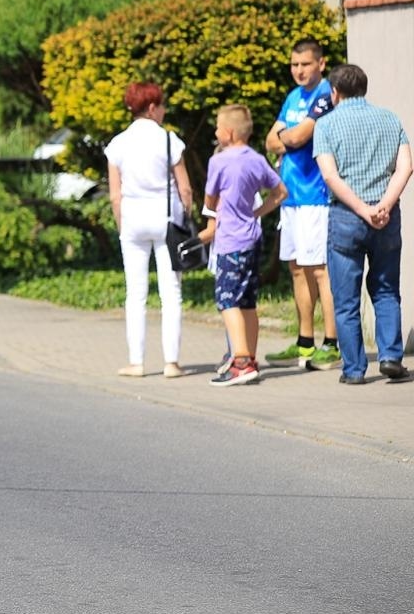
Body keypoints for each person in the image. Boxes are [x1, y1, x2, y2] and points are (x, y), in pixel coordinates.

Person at [313, 63, 413, 385]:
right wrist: (383, 206)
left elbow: (330, 176)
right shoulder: (390, 119)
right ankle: (391, 357)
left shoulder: (325, 125)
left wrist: (362, 209)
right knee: (386, 290)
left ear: (334, 92)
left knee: (346, 299)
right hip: (387, 217)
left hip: (346, 216)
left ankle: (354, 370)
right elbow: (406, 167)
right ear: (364, 88)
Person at [104, 82, 196, 379]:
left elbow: (115, 195)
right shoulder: (169, 140)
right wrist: (187, 217)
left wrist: (122, 225)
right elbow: (185, 188)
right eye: (163, 105)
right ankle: (171, 363)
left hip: (133, 220)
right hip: (167, 220)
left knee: (135, 294)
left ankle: (136, 362)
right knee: (171, 292)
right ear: (153, 108)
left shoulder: (118, 144)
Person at [262, 38, 339, 370]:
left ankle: (331, 344)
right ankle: (305, 342)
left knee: (320, 270)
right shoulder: (293, 97)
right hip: (290, 196)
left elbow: (296, 137)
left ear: (320, 63)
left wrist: (286, 138)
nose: (299, 70)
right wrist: (287, 138)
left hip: (315, 197)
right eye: (294, 64)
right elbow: (270, 140)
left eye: (305, 64)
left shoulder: (325, 95)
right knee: (296, 268)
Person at [198, 105, 287, 386]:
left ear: (229, 132)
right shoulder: (256, 159)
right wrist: (257, 212)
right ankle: (251, 359)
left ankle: (241, 361)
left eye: (218, 127)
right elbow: (280, 192)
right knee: (248, 301)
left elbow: (209, 200)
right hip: (252, 238)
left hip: (230, 241)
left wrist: (217, 206)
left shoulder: (219, 162)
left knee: (228, 301)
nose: (215, 132)